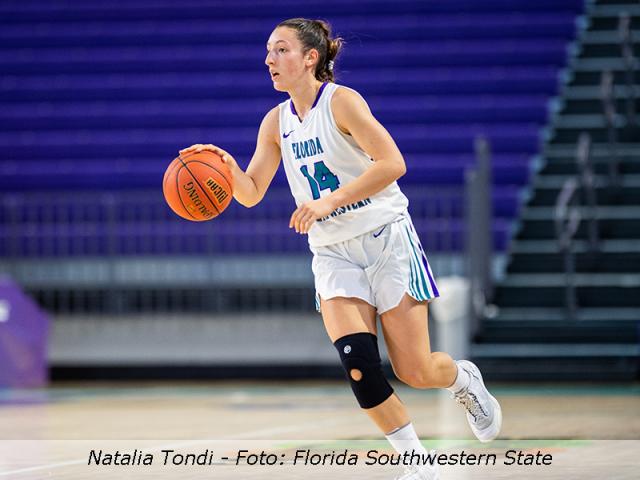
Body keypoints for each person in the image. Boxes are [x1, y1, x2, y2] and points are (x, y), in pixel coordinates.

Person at [180, 18, 501, 480]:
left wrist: (328, 200)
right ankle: (417, 462)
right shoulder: (275, 122)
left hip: (386, 238)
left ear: (311, 57)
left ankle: (462, 379)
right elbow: (249, 192)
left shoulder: (342, 103)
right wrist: (224, 167)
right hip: (332, 252)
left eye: (281, 49)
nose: (269, 59)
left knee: (415, 370)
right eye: (268, 51)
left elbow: (393, 163)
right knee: (359, 368)